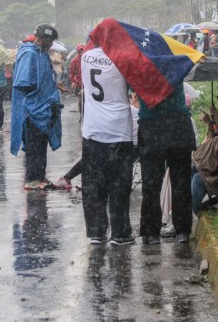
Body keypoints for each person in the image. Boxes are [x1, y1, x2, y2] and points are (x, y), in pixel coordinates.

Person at [80, 40, 135, 246]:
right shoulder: (122, 58)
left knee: (94, 184)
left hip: (92, 131)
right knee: (119, 184)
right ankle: (120, 233)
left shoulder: (86, 57)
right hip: (118, 131)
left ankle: (97, 232)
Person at [138, 83, 196, 245]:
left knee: (151, 184)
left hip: (151, 126)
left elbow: (133, 87)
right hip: (178, 125)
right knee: (180, 182)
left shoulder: (139, 65)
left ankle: (151, 233)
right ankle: (182, 231)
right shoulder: (176, 61)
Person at [10, 24, 63, 191]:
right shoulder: (28, 54)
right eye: (48, 41)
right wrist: (39, 97)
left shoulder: (43, 54)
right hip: (32, 110)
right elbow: (23, 83)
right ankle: (32, 178)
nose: (50, 44)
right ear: (41, 39)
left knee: (41, 143)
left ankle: (40, 176)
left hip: (45, 108)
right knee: (34, 145)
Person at [191, 85, 218, 214]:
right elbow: (207, 142)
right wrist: (211, 123)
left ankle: (187, 214)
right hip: (209, 162)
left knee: (197, 178)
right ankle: (179, 212)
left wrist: (214, 121)